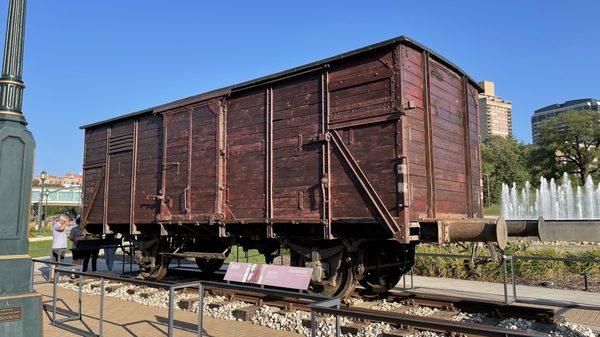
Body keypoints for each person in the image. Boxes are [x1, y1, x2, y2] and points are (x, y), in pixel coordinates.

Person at [49, 214, 69, 281]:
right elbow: (61, 229)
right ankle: (54, 277)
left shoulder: (60, 225)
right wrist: (66, 223)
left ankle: (55, 276)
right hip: (57, 247)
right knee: (57, 262)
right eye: (65, 221)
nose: (67, 222)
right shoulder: (56, 225)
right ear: (62, 220)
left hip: (61, 247)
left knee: (58, 262)